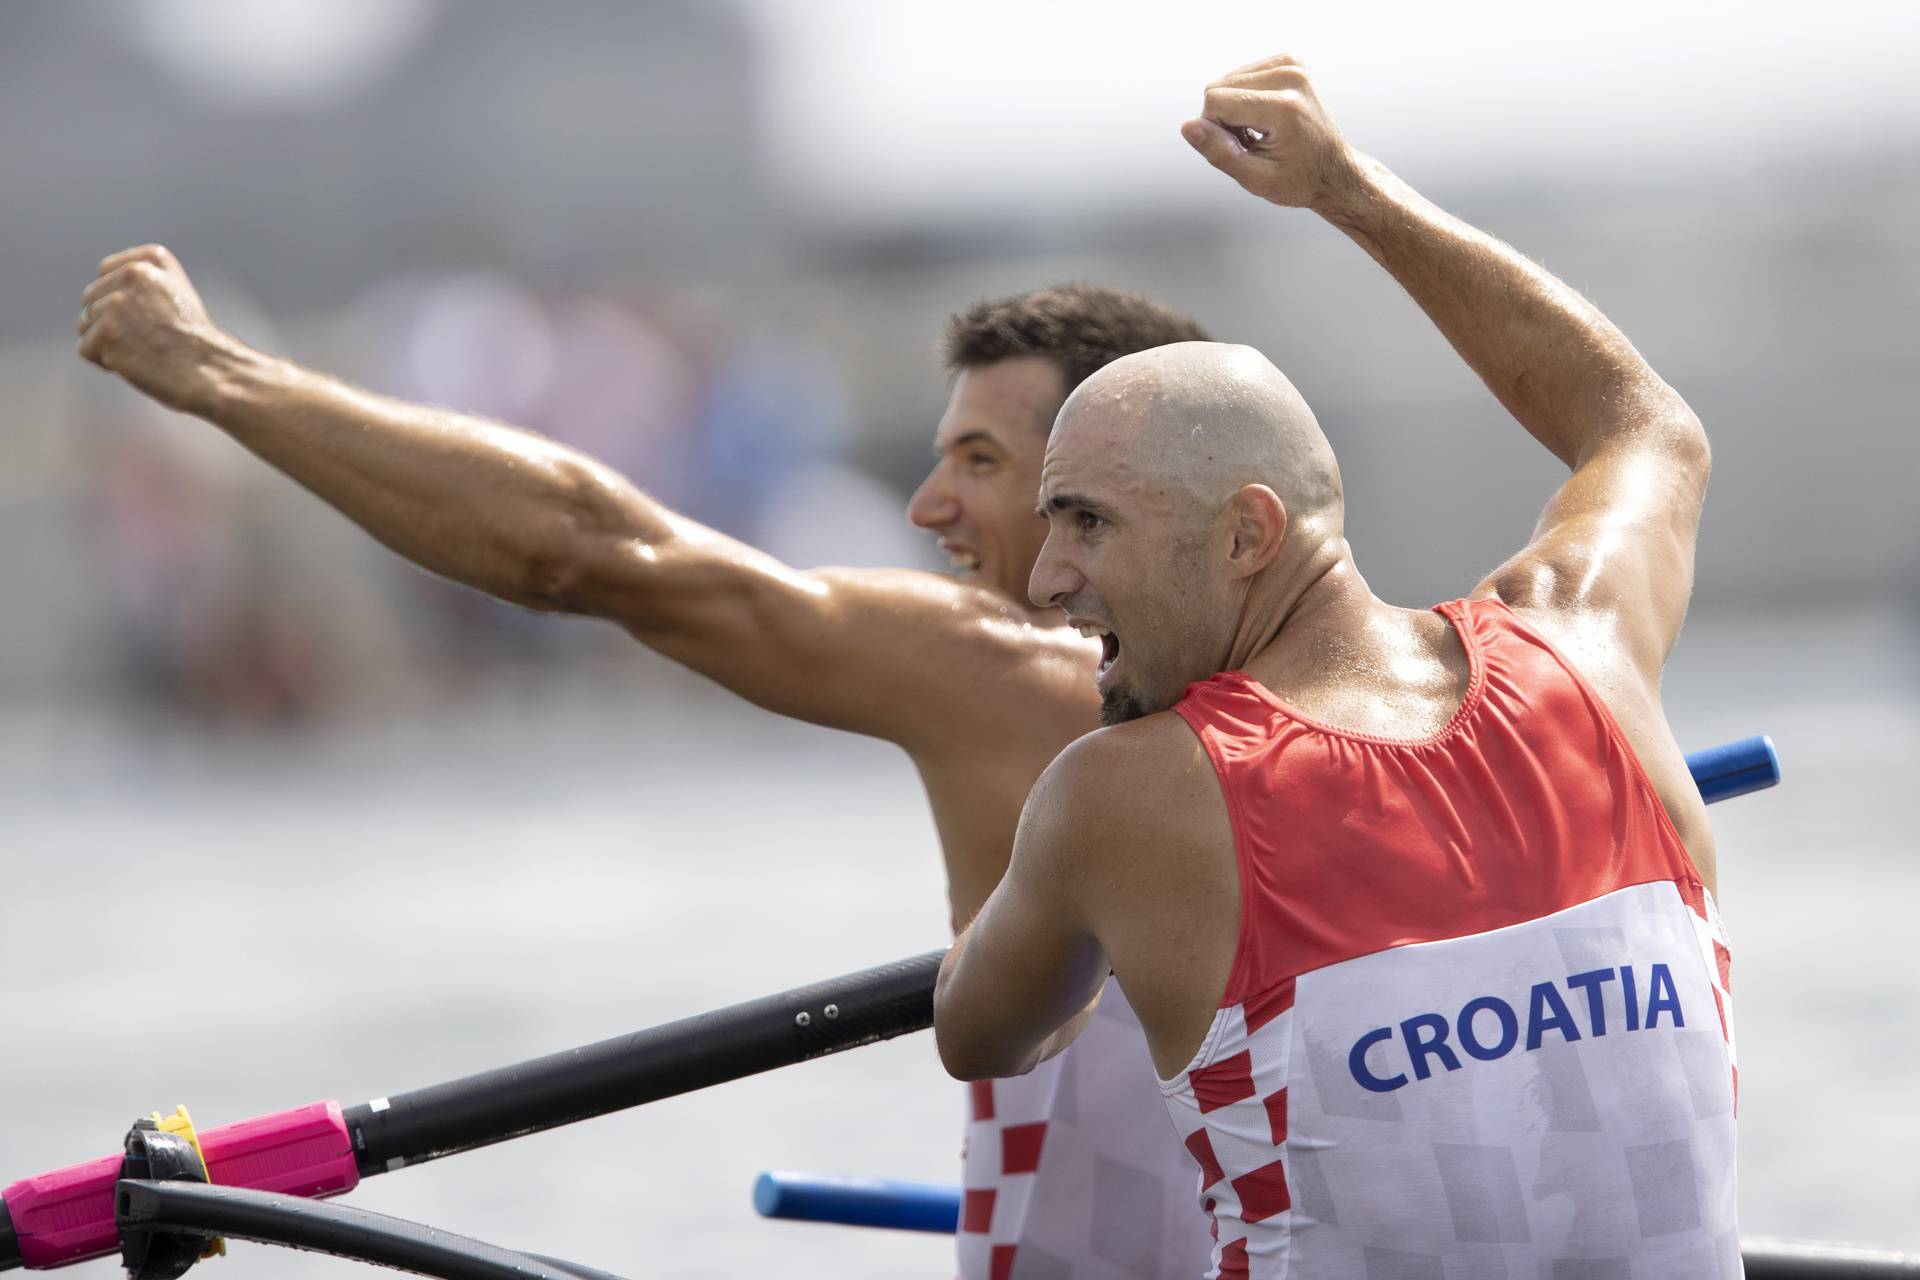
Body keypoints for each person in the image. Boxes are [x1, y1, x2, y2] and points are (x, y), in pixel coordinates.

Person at [74, 257, 1217, 1273]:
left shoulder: (1007, 673)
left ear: (1112, 481)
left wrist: (216, 375)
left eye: (980, 460)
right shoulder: (1384, 690)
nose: (929, 506)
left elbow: (592, 552)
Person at [935, 55, 1734, 1279]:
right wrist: (1350, 191)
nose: (1046, 580)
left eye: (1087, 522)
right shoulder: (1590, 647)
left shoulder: (1123, 794)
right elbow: (1645, 425)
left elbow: (980, 1032)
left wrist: (1046, 887)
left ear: (1250, 533)